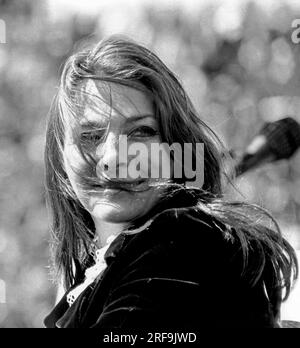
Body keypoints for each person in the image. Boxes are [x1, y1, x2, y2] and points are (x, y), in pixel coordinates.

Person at [43, 35, 298, 328]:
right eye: (90, 136)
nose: (113, 158)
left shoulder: (183, 245)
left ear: (176, 149)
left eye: (141, 132)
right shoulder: (101, 267)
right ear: (61, 156)